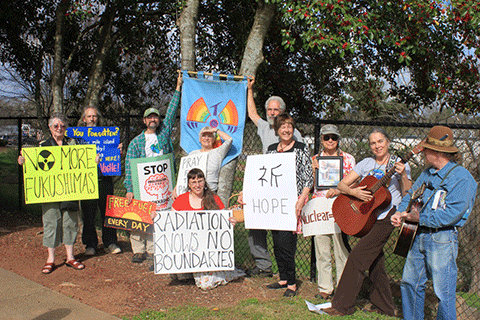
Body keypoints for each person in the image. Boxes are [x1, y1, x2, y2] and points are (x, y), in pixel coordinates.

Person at [322, 127, 412, 316]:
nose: (377, 146)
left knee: (357, 256)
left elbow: (408, 194)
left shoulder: (399, 164)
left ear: (388, 142)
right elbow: (341, 184)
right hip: (369, 217)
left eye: (380, 141)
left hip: (388, 216)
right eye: (373, 143)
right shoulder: (366, 163)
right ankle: (385, 307)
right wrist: (354, 192)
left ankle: (342, 306)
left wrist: (403, 175)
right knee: (375, 261)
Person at [391, 126, 477, 320]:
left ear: (437, 152)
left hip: (442, 238)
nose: (422, 153)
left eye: (425, 149)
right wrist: (400, 212)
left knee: (443, 291)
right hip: (417, 235)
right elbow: (412, 195)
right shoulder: (427, 173)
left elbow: (452, 215)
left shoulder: (462, 178)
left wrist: (419, 218)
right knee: (409, 283)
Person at [245, 76, 303, 278]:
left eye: (275, 110)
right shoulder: (264, 127)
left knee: (282, 232)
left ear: (283, 112)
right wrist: (250, 89)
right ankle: (263, 266)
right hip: (264, 186)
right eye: (269, 110)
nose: (271, 113)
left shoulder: (293, 133)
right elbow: (252, 113)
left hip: (284, 189)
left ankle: (287, 271)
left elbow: (301, 160)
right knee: (256, 226)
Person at [18, 113, 87, 274]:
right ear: (50, 128)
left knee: (70, 223)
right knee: (51, 222)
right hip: (49, 192)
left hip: (70, 190)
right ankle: (51, 259)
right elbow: (35, 167)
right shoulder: (42, 146)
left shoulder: (73, 144)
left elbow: (82, 162)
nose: (59, 128)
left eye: (62, 126)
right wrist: (23, 162)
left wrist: (93, 161)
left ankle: (70, 257)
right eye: (56, 126)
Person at [124, 72, 182, 264]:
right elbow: (129, 167)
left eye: (156, 117)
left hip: (161, 184)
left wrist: (178, 87)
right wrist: (130, 189)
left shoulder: (164, 136)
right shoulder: (136, 143)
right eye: (150, 118)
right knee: (140, 216)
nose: (153, 120)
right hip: (142, 184)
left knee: (157, 215)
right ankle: (138, 249)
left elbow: (172, 111)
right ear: (144, 121)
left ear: (159, 120)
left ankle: (152, 248)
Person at [170, 168, 245, 289]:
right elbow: (171, 223)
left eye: (200, 181)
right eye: (193, 182)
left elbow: (223, 219)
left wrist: (231, 222)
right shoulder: (181, 200)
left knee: (205, 284)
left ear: (205, 182)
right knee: (180, 276)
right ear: (188, 184)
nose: (197, 185)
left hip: (208, 251)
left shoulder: (214, 199)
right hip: (188, 247)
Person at [264, 113, 313, 297]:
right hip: (274, 204)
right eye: (283, 126)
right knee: (276, 242)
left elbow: (308, 176)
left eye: (289, 126)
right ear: (277, 130)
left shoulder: (300, 148)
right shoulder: (270, 150)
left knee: (286, 244)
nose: (286, 130)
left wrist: (301, 199)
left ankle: (292, 283)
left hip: (293, 203)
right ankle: (283, 278)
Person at [311, 124, 355, 300]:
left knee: (341, 249)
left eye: (334, 137)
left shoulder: (348, 159)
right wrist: (314, 170)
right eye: (327, 137)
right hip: (320, 208)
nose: (330, 141)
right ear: (321, 139)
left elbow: (353, 183)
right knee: (321, 249)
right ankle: (325, 288)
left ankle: (343, 287)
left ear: (338, 140)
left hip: (341, 206)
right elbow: (313, 185)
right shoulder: (315, 159)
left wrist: (338, 190)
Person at [77, 106, 122, 256]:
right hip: (87, 181)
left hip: (105, 178)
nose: (92, 119)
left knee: (108, 212)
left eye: (94, 116)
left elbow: (113, 156)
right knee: (88, 215)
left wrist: (117, 151)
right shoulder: (78, 138)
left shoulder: (107, 137)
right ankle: (90, 244)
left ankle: (110, 242)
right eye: (89, 116)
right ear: (84, 119)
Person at [172, 126, 232, 199]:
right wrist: (176, 189)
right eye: (203, 136)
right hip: (193, 193)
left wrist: (215, 130)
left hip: (210, 193)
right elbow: (185, 173)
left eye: (209, 136)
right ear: (200, 140)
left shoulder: (218, 152)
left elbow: (229, 140)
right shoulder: (193, 154)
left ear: (213, 139)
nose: (206, 138)